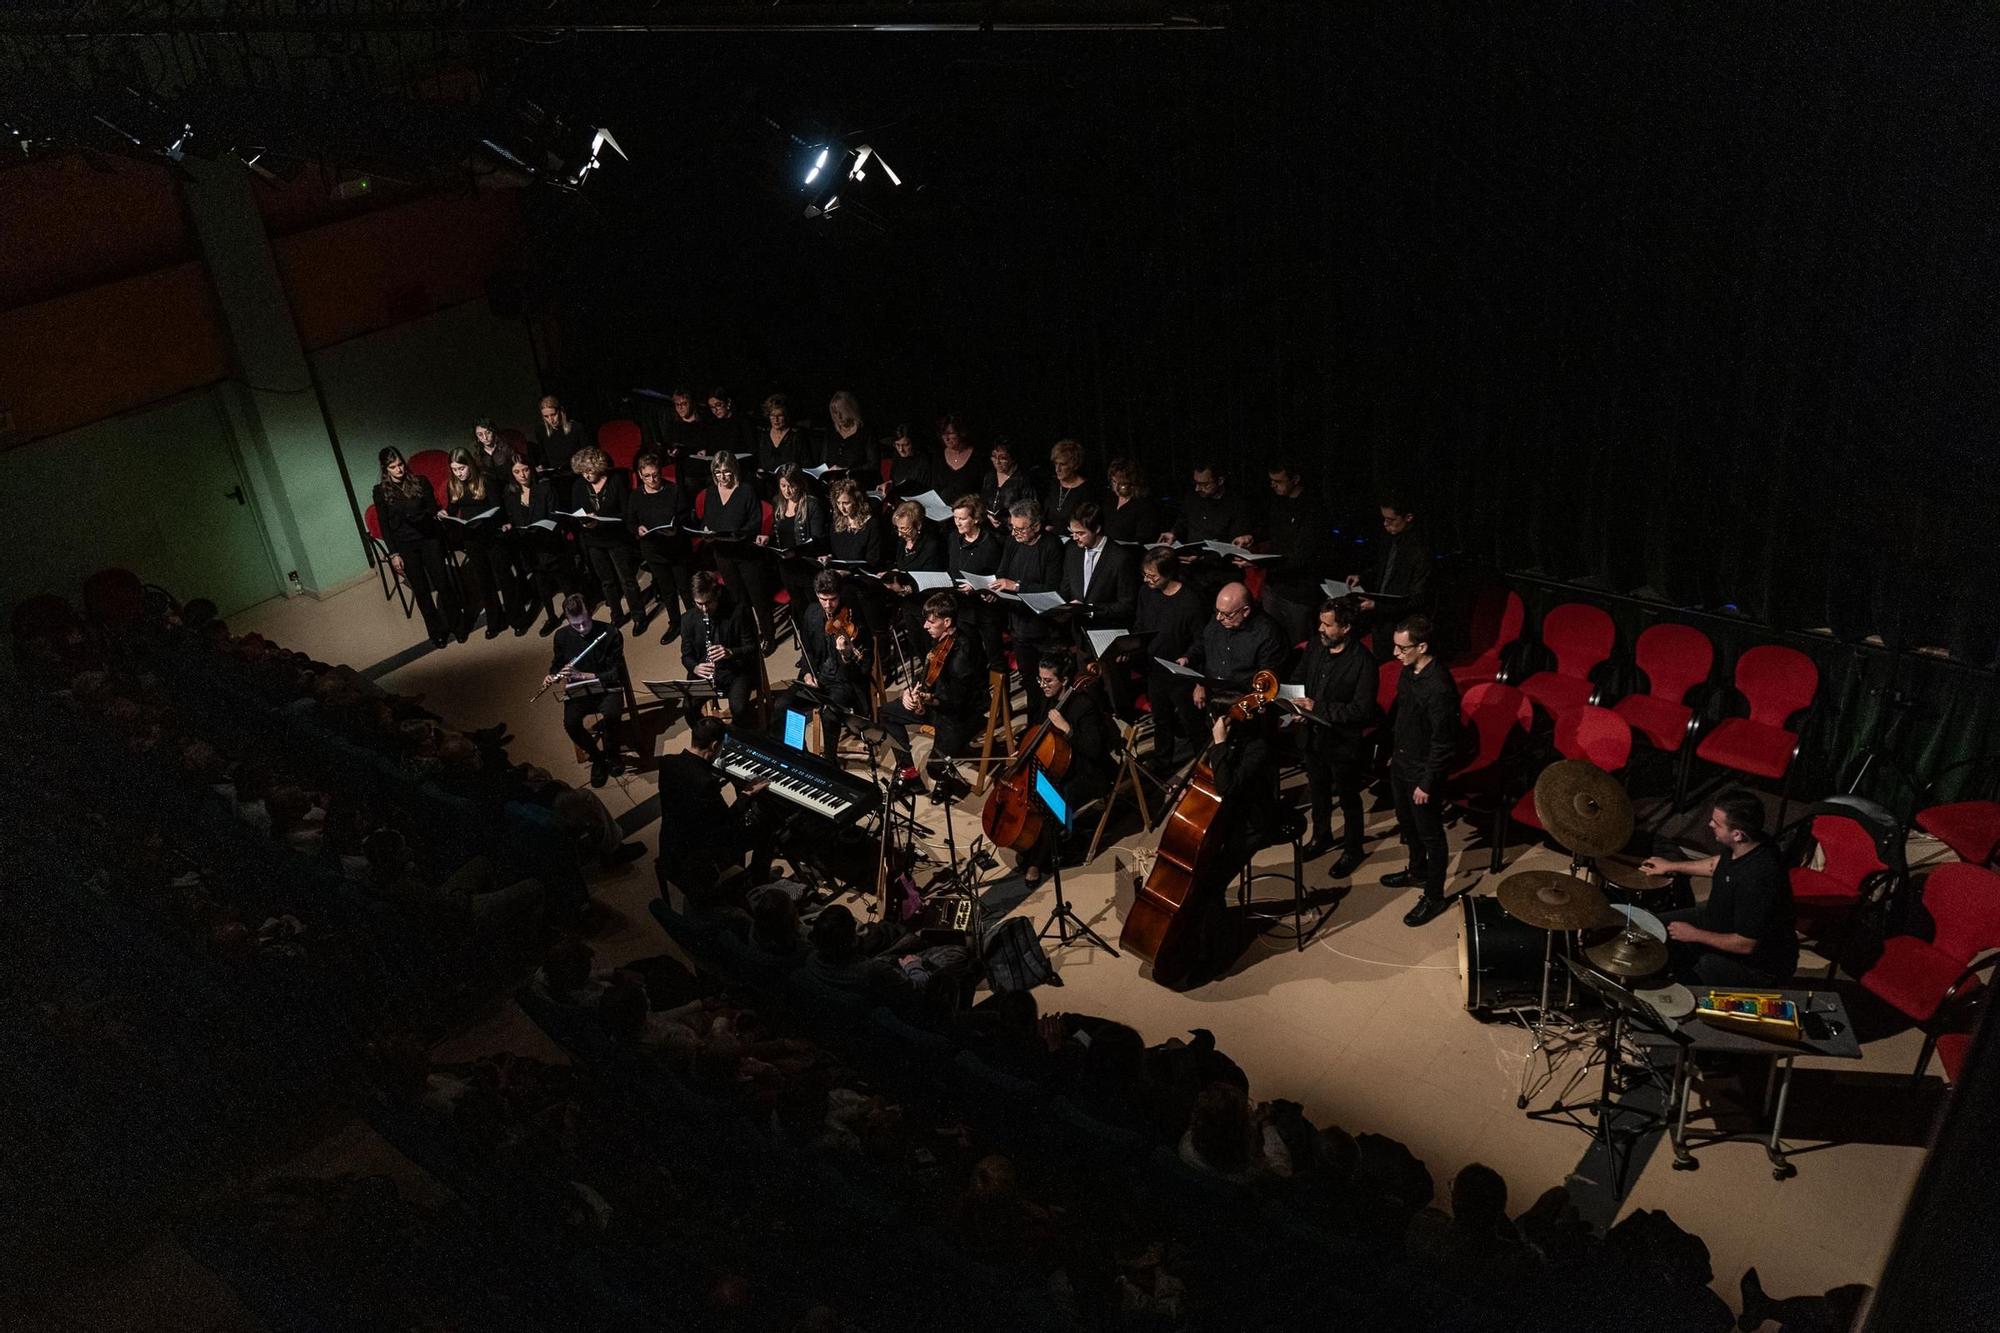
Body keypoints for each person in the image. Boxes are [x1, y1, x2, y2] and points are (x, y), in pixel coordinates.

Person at [1639, 790, 1798, 986]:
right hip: (1718, 920)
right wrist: (1671, 866)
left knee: (1684, 981)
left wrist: (1694, 934)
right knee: (1651, 927)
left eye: (1717, 823)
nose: (1710, 824)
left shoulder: (1759, 879)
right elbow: (1718, 864)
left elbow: (1746, 944)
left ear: (1737, 834)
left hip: (1757, 968)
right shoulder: (1747, 845)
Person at [1383, 614, 1460, 926]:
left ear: (1423, 646)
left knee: (1430, 835)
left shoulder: (1439, 687)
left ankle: (1434, 894)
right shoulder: (1409, 672)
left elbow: (1444, 742)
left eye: (1402, 649)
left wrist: (1427, 782)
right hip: (1402, 763)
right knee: (1407, 824)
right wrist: (1394, 753)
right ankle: (1416, 871)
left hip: (1422, 773)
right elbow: (1405, 718)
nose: (1395, 654)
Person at [1294, 597, 1379, 872]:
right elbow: (1300, 676)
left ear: (1345, 628)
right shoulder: (1317, 646)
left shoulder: (1364, 663)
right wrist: (1296, 703)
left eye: (1327, 624)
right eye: (1321, 622)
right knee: (1317, 790)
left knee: (1348, 799)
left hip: (1342, 743)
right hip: (1312, 735)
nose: (1320, 629)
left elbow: (1361, 711)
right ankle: (1321, 835)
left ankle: (1353, 849)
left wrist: (1319, 708)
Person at [878, 592, 987, 803]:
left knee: (934, 769)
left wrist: (927, 699)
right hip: (935, 703)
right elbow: (927, 671)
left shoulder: (962, 654)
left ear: (947, 622)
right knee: (887, 713)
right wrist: (910, 692)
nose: (926, 626)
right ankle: (908, 773)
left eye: (931, 621)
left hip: (959, 714)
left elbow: (956, 702)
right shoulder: (940, 639)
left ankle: (948, 778)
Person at [1020, 649, 1115, 884]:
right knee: (1033, 787)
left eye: (1048, 680)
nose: (1042, 685)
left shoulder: (1084, 705)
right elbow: (1037, 726)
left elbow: (1093, 749)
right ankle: (1032, 839)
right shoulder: (1048, 698)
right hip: (1059, 767)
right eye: (1040, 679)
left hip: (1088, 771)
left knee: (1052, 799)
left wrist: (1067, 729)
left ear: (1064, 680)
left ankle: (1038, 859)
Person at [656, 715, 776, 880]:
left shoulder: (667, 762)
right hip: (700, 850)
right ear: (714, 745)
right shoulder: (705, 783)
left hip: (672, 841)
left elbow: (688, 790)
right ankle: (755, 880)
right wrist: (747, 794)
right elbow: (727, 820)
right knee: (767, 827)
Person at [372, 447, 463, 649]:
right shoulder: (380, 492)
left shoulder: (420, 481)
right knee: (421, 590)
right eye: (393, 467)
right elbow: (385, 525)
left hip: (428, 538)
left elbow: (432, 508)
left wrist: (437, 514)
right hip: (405, 545)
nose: (399, 470)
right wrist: (393, 554)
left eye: (400, 464)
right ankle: (437, 632)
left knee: (443, 583)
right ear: (385, 469)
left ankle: (458, 625)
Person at [990, 499, 1065, 724]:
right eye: (1013, 527)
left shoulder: (1051, 546)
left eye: (1021, 529)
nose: (1015, 533)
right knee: (1030, 682)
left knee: (1048, 686)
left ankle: (1052, 727)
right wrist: (993, 589)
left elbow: (1053, 589)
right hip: (1019, 626)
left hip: (1044, 630)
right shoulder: (1013, 542)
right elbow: (1002, 572)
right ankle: (1034, 726)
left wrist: (1017, 586)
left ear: (1036, 526)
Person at [543, 593, 630, 788]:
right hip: (580, 691)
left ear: (590, 613)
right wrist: (552, 675)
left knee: (612, 715)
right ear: (567, 620)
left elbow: (615, 672)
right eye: (576, 625)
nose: (582, 629)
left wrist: (583, 675)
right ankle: (597, 758)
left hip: (607, 687)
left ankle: (612, 754)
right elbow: (558, 663)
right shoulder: (562, 636)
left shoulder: (610, 632)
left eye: (585, 622)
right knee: (570, 723)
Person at [1135, 547, 1209, 770]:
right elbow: (1140, 624)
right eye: (1145, 574)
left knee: (1191, 723)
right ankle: (1163, 760)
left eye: (1152, 576)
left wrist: (1188, 657)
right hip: (1155, 668)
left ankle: (1204, 766)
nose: (1147, 580)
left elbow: (1201, 639)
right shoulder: (1146, 593)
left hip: (1180, 674)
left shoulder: (1191, 601)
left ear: (1168, 574)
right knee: (1161, 719)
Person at [787, 570, 874, 759]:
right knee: (783, 706)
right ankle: (797, 754)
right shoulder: (811, 613)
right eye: (823, 599)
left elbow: (864, 668)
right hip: (818, 675)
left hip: (845, 681)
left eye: (832, 599)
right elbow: (807, 650)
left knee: (829, 716)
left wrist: (845, 654)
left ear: (840, 594)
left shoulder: (855, 619)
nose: (828, 605)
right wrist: (808, 673)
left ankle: (830, 762)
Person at [699, 450, 776, 654]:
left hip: (746, 553)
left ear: (734, 470)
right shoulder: (712, 492)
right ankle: (749, 635)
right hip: (723, 553)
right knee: (738, 599)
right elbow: (707, 520)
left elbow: (754, 523)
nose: (722, 477)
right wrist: (706, 530)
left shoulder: (746, 491)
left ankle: (769, 636)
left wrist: (739, 534)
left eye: (726, 472)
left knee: (757, 597)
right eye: (718, 472)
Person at [569, 446, 648, 634]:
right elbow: (576, 512)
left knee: (627, 580)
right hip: (593, 539)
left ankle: (639, 616)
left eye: (589, 471)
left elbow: (626, 512)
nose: (586, 476)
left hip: (616, 537)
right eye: (582, 472)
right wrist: (584, 522)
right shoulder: (579, 486)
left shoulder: (617, 481)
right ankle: (617, 615)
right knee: (606, 581)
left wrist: (601, 519)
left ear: (598, 466)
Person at [1260, 459, 1336, 646]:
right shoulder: (1278, 503)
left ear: (1295, 479)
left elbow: (1302, 556)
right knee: (1270, 641)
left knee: (1298, 643)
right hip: (1274, 586)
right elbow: (1272, 535)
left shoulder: (1313, 509)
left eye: (1278, 481)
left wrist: (1261, 563)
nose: (1274, 486)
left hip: (1299, 593)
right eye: (1271, 481)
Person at [1349, 490, 1432, 660]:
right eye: (1384, 519)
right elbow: (1384, 568)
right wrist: (1363, 577)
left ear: (1408, 518)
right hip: (1381, 619)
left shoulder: (1420, 551)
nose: (1386, 524)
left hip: (1402, 623)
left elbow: (1417, 598)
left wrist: (1378, 606)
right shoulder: (1390, 538)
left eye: (1392, 520)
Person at [444, 447, 518, 639]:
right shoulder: (453, 485)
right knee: (483, 580)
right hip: (471, 537)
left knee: (504, 576)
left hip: (491, 533)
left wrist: (489, 521)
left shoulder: (485, 480)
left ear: (469, 465)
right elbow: (452, 509)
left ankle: (516, 617)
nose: (458, 473)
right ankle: (495, 620)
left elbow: (497, 507)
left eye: (461, 468)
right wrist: (446, 514)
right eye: (454, 469)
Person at [1184, 581, 1287, 713]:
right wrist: (1189, 660)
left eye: (1227, 614)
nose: (1219, 618)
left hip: (1243, 702)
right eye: (1217, 611)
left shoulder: (1268, 633)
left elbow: (1268, 679)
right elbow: (1203, 645)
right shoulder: (1218, 619)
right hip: (1212, 694)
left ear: (1245, 611)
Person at [629, 451, 693, 646]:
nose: (652, 479)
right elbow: (630, 521)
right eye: (647, 476)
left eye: (655, 474)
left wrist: (676, 529)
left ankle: (693, 622)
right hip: (654, 550)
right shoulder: (636, 495)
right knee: (667, 591)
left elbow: (685, 517)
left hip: (676, 548)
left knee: (685, 588)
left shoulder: (674, 490)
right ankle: (675, 623)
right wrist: (637, 529)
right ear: (640, 475)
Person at [500, 455, 568, 636]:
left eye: (525, 469)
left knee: (564, 582)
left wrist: (545, 528)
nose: (522, 475)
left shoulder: (545, 488)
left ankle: (574, 613)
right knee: (541, 584)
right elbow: (512, 518)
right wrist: (509, 525)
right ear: (511, 474)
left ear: (531, 469)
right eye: (517, 471)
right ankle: (551, 616)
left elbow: (555, 516)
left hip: (549, 543)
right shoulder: (510, 494)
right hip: (529, 547)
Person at [681, 570, 759, 722]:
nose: (704, 609)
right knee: (688, 707)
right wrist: (695, 667)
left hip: (736, 670)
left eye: (708, 603)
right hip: (706, 672)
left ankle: (736, 740)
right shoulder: (687, 619)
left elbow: (752, 647)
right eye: (699, 604)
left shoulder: (738, 612)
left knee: (739, 709)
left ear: (717, 595)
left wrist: (730, 652)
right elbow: (686, 655)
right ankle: (707, 738)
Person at [946, 494, 1006, 668]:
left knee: (995, 657)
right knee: (970, 656)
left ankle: (1000, 693)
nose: (957, 522)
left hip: (985, 610)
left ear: (976, 519)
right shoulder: (953, 538)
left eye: (962, 518)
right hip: (962, 607)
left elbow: (998, 576)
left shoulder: (990, 544)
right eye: (955, 518)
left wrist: (979, 587)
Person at [767, 463, 830, 627]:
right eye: (783, 486)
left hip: (806, 567)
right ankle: (807, 648)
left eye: (791, 486)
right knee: (799, 610)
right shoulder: (777, 503)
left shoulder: (811, 505)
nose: (787, 491)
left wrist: (797, 552)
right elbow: (778, 533)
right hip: (787, 567)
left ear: (800, 484)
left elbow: (819, 539)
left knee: (815, 612)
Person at [1059, 502, 1139, 625]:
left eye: (1080, 533)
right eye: (1072, 532)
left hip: (1103, 628)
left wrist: (1089, 610)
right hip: (1075, 629)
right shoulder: (1072, 550)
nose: (1074, 537)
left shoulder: (1120, 557)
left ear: (1097, 529)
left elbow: (1126, 605)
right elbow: (1066, 587)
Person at [1168, 459, 1256, 548]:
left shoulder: (1236, 504)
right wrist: (1173, 533)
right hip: (1190, 554)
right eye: (1196, 483)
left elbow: (1235, 542)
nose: (1197, 489)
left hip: (1218, 557)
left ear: (1220, 481)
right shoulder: (1192, 498)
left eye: (1204, 484)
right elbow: (1181, 524)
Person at [1103, 457, 1168, 548]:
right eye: (1114, 482)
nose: (1116, 488)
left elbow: (1144, 539)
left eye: (1122, 484)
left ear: (1133, 484)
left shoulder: (1144, 505)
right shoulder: (1110, 500)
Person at [825, 477, 888, 569]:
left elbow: (874, 561)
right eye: (838, 503)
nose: (841, 508)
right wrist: (829, 557)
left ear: (857, 501)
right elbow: (834, 553)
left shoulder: (872, 525)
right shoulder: (836, 522)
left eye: (846, 503)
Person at [534, 396, 587, 501]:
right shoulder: (540, 430)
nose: (550, 419)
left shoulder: (576, 427)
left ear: (560, 411)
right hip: (555, 475)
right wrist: (541, 466)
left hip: (575, 473)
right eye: (546, 416)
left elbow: (586, 453)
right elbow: (544, 455)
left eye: (553, 415)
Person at [1043, 438, 1100, 532]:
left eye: (1062, 464)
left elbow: (1086, 524)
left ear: (1075, 465)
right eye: (1056, 464)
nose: (1057, 469)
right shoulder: (1052, 484)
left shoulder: (1086, 490)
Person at [979, 440, 1037, 526]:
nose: (997, 462)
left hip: (1011, 530)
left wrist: (1007, 520)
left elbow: (1030, 512)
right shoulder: (990, 476)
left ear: (1012, 459)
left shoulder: (1022, 480)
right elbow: (983, 502)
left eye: (1003, 458)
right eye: (994, 457)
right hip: (988, 526)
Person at [820, 390, 876, 473]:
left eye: (842, 412)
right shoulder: (831, 432)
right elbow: (823, 461)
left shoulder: (866, 432)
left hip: (857, 480)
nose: (839, 416)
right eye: (835, 413)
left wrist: (848, 471)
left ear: (850, 409)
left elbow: (873, 465)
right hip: (833, 481)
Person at [756, 393, 811, 477]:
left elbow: (806, 465)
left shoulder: (796, 436)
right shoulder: (764, 435)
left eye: (780, 415)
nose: (776, 420)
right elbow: (759, 462)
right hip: (766, 481)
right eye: (772, 415)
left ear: (786, 415)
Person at [934, 415, 985, 504]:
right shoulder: (938, 456)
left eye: (951, 433)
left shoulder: (978, 458)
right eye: (943, 434)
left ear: (961, 433)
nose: (946, 438)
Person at [883, 423, 936, 502]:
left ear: (913, 443)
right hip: (899, 500)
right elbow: (895, 479)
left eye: (905, 445)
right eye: (897, 445)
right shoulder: (897, 456)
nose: (901, 450)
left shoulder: (924, 459)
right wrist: (889, 483)